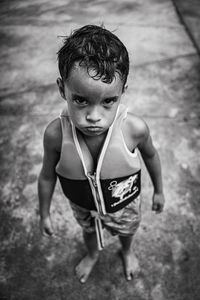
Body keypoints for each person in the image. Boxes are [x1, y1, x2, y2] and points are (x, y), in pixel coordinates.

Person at [38, 24, 165, 284]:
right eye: (81, 100)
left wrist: (159, 190)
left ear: (122, 93)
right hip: (84, 206)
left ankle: (127, 251)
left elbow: (151, 156)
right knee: (88, 231)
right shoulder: (55, 135)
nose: (94, 116)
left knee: (128, 229)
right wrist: (44, 212)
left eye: (108, 101)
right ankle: (92, 253)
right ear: (63, 89)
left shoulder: (134, 128)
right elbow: (47, 176)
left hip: (124, 203)